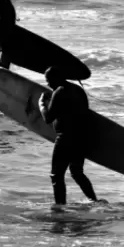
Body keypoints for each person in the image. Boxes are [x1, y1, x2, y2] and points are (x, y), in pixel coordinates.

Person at [39, 66, 99, 206]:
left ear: (56, 78)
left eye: (48, 80)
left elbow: (48, 118)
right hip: (81, 137)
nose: (48, 84)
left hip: (66, 138)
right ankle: (94, 201)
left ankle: (60, 207)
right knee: (77, 172)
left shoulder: (60, 91)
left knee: (56, 175)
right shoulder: (78, 90)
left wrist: (41, 103)